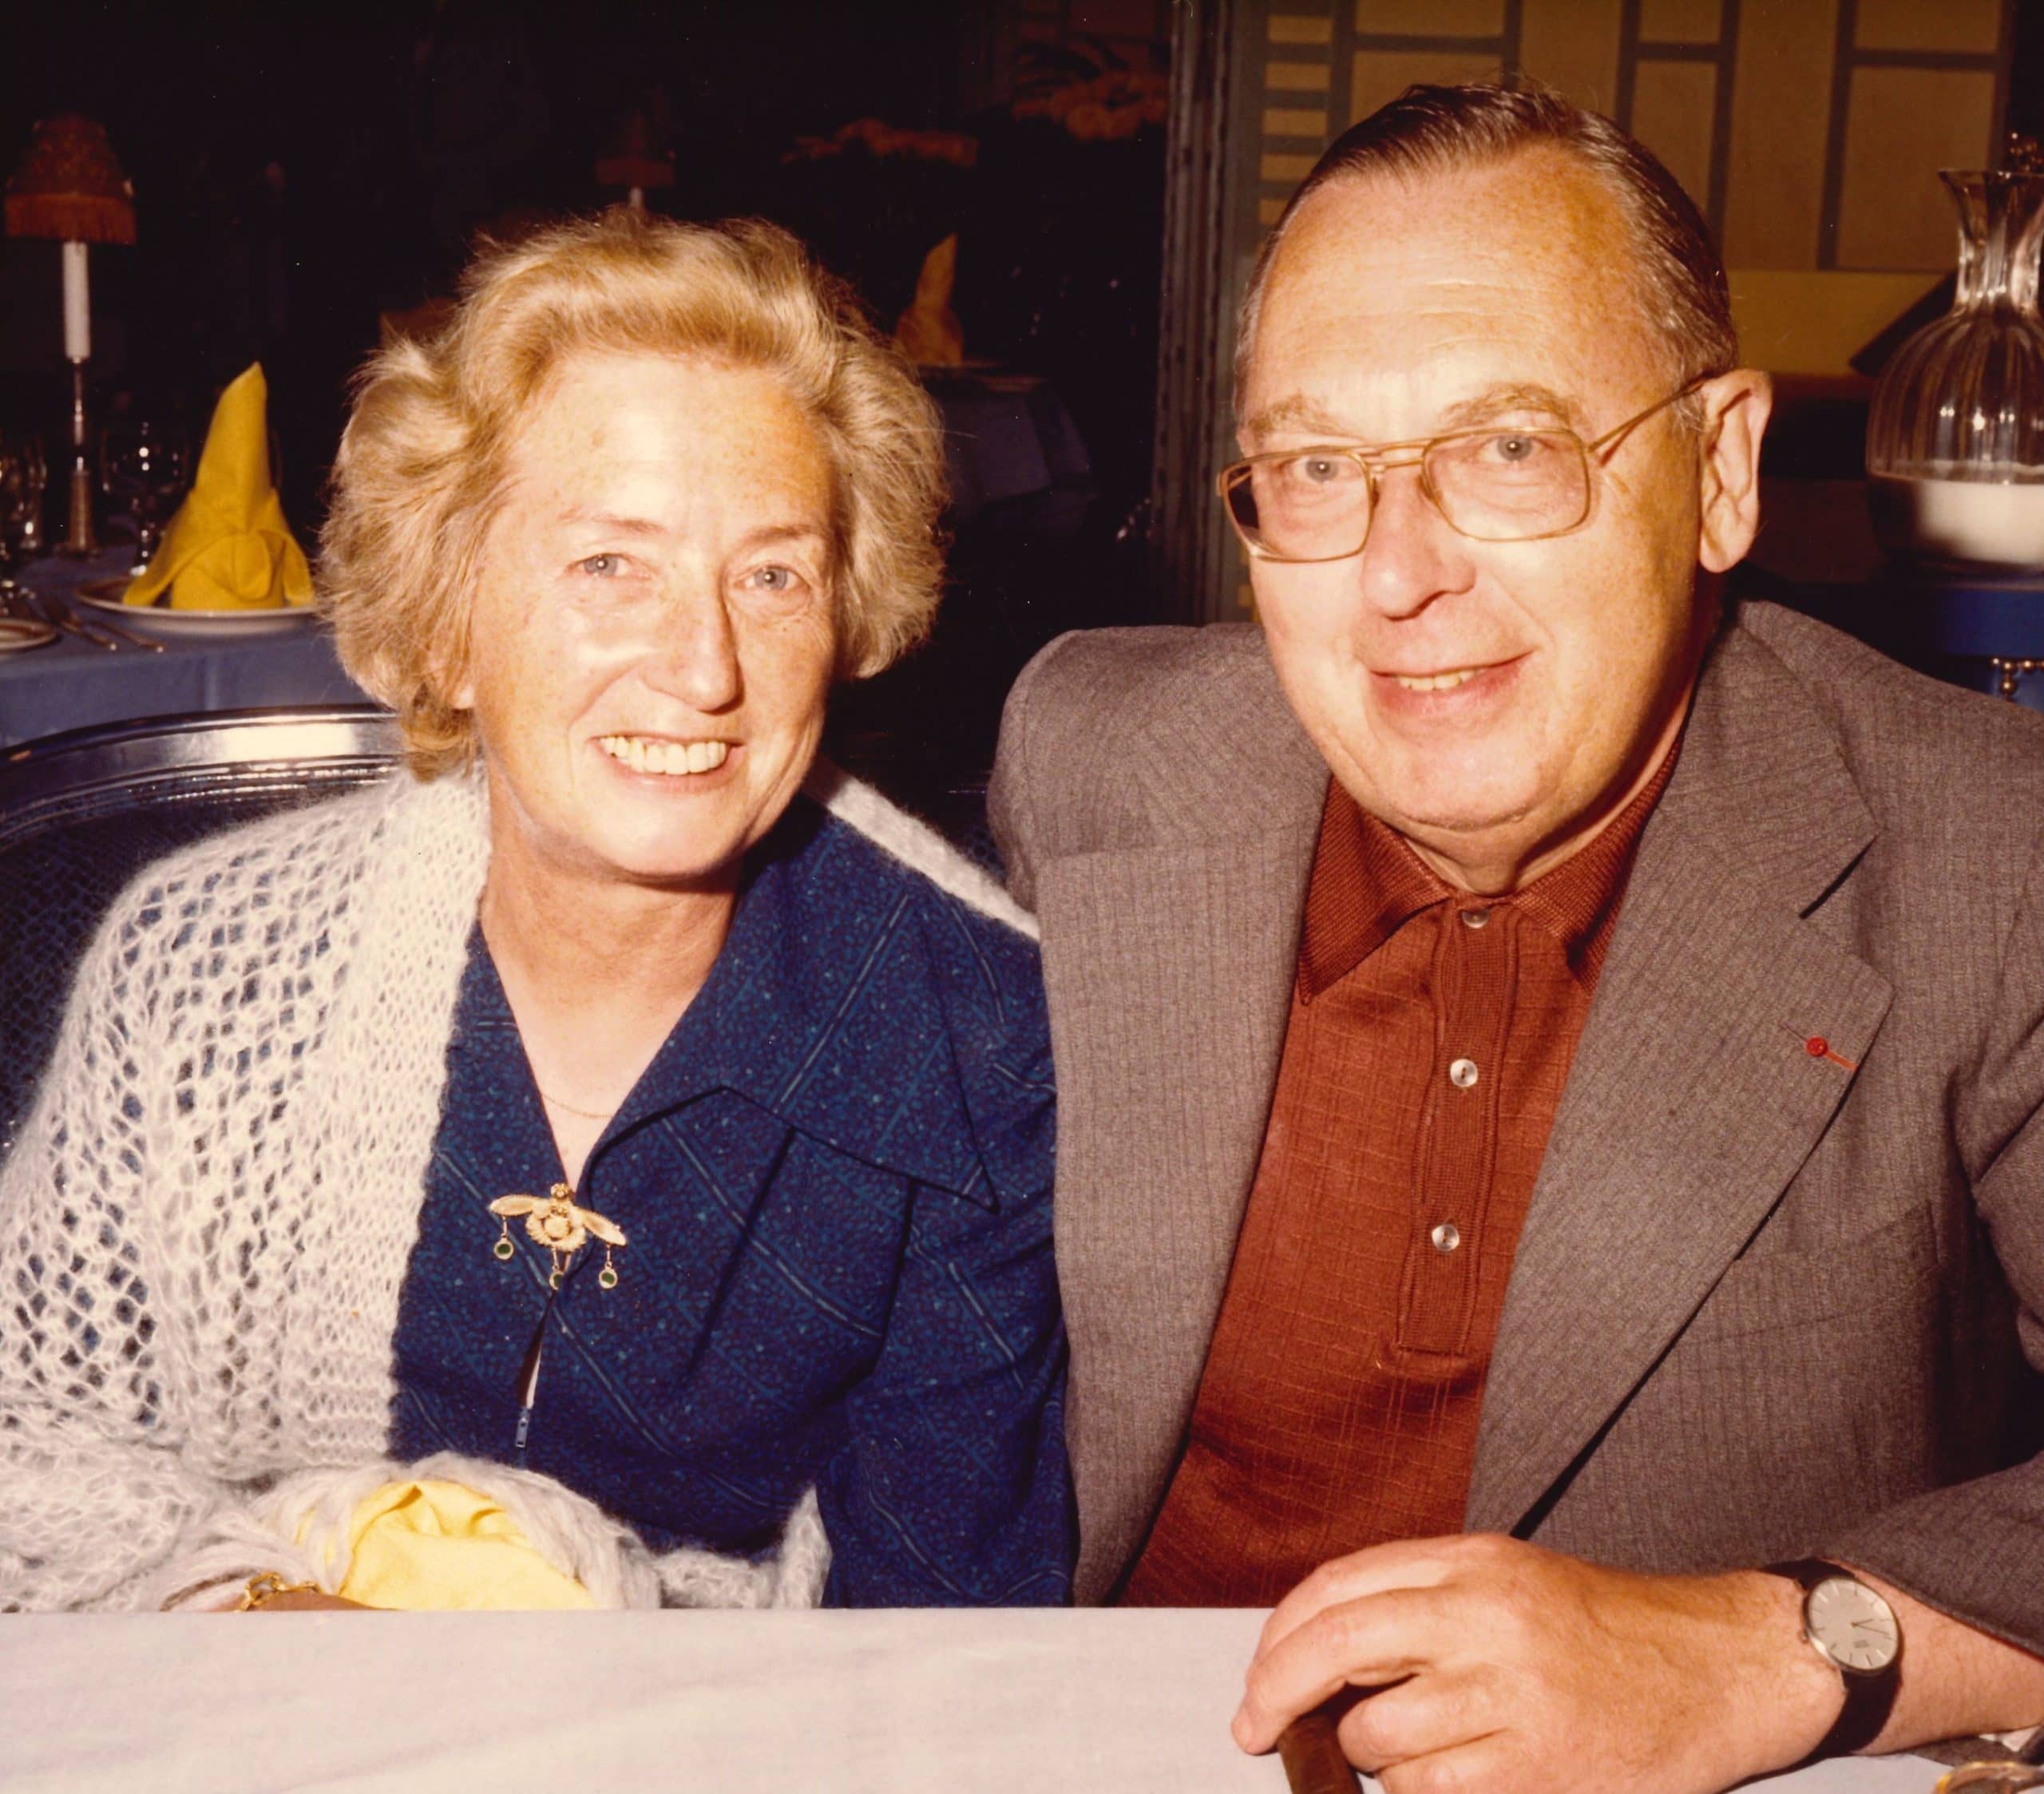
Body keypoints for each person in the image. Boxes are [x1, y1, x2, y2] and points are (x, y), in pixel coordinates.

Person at [991, 83, 2044, 1788]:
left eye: (1504, 447)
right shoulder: (1092, 756)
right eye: (1320, 467)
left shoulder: (1986, 850)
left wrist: (1779, 1646)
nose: (1400, 575)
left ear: (1714, 475)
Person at [1, 211, 1070, 1614]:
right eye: (609, 565)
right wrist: (267, 1611)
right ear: (442, 623)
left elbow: (939, 1646)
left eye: (771, 574)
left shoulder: (977, 1037)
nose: (702, 668)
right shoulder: (203, 976)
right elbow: (29, 1443)